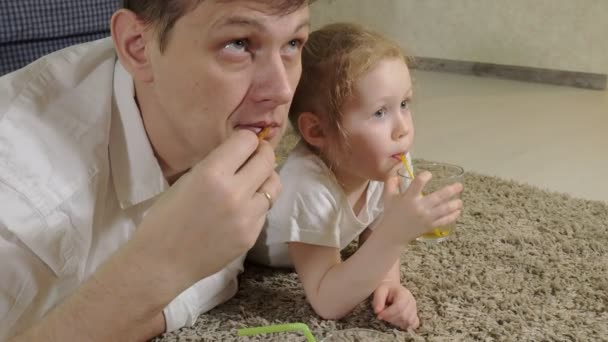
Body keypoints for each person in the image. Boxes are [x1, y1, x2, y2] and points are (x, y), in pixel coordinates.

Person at [0, 0, 314, 340]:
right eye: (238, 44)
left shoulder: (207, 126)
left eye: (293, 44)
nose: (282, 91)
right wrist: (157, 269)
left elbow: (219, 263)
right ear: (138, 46)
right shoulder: (20, 202)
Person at [249, 23, 464, 330]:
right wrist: (396, 233)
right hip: (253, 253)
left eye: (404, 104)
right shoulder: (306, 186)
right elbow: (327, 300)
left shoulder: (383, 164)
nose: (402, 127)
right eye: (380, 112)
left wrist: (390, 284)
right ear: (317, 130)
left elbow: (374, 238)